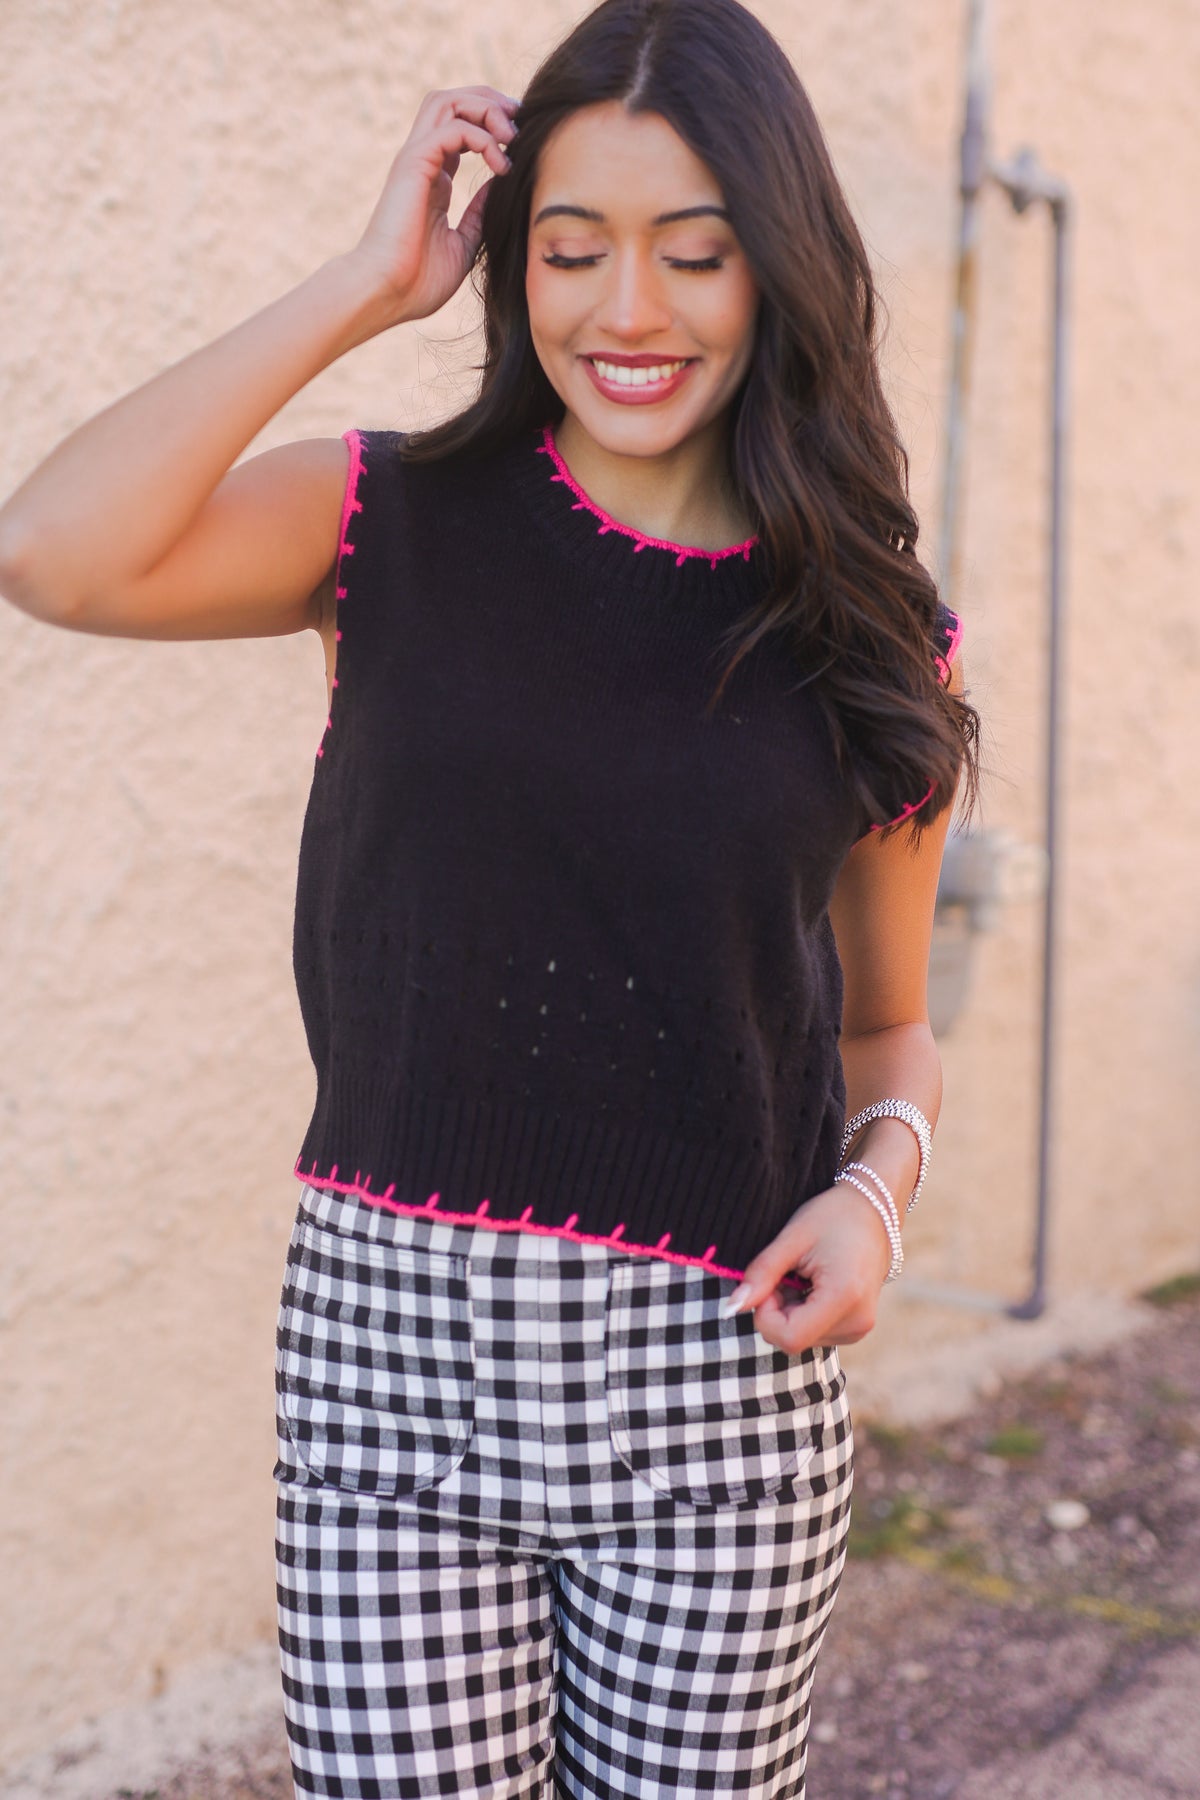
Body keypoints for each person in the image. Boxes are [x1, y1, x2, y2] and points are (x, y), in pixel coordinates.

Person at [0, 0, 981, 1793]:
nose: (628, 311)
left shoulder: (866, 642)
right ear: (508, 259)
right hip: (389, 1364)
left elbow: (888, 1027)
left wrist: (875, 1200)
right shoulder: (385, 525)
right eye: (571, 246)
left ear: (780, 270)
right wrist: (368, 286)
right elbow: (56, 551)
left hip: (719, 1388)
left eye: (695, 254)